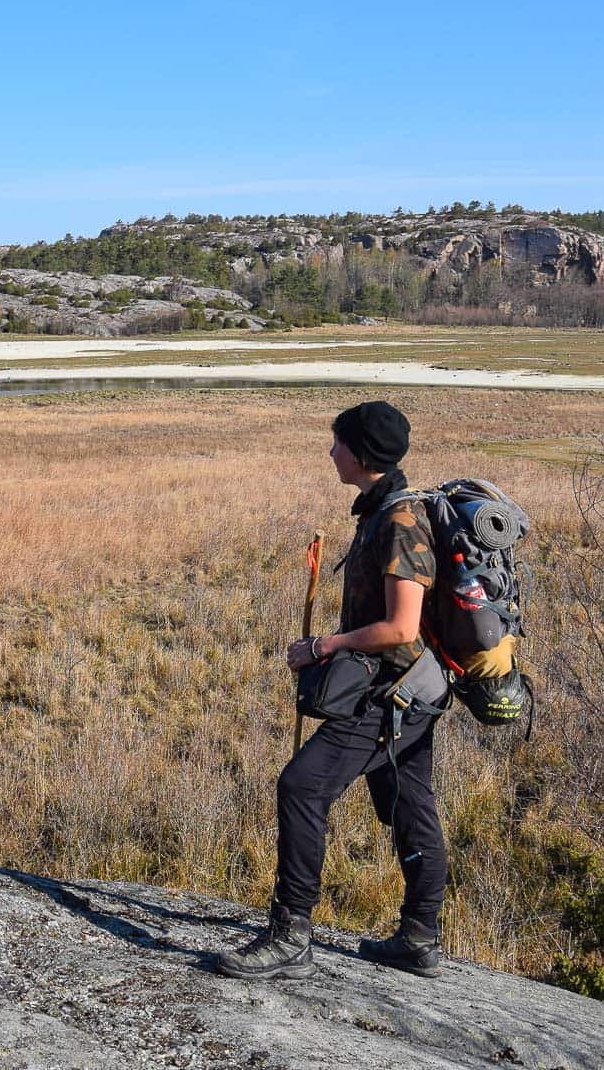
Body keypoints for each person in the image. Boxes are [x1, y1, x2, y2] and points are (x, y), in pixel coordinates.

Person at [216, 400, 448, 981]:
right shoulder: (381, 511)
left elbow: (401, 627)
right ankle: (419, 937)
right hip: (411, 692)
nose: (331, 451)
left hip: (393, 696)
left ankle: (290, 934)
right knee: (410, 804)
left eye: (338, 441)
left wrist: (325, 646)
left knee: (300, 787)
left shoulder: (398, 523)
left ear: (362, 453)